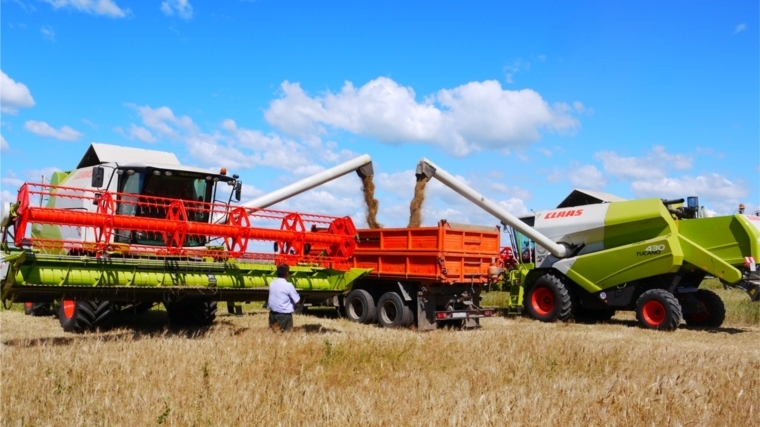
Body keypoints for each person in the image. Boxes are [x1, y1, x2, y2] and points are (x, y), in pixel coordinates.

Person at [267, 264, 301, 332]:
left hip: (272, 315)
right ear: (287, 273)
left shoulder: (272, 283)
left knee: (274, 336)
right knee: (286, 336)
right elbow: (297, 301)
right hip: (284, 316)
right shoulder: (288, 285)